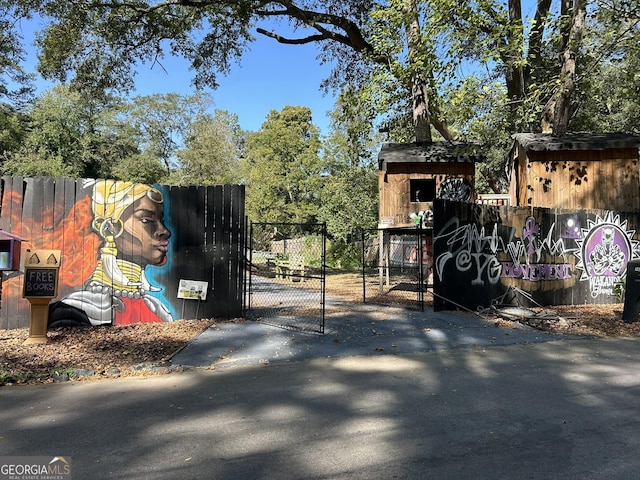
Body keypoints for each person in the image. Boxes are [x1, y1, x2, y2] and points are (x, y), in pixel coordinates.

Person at [48, 180, 174, 327]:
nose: (165, 231)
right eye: (146, 220)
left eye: (161, 220)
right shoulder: (75, 310)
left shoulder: (156, 308)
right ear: (111, 228)